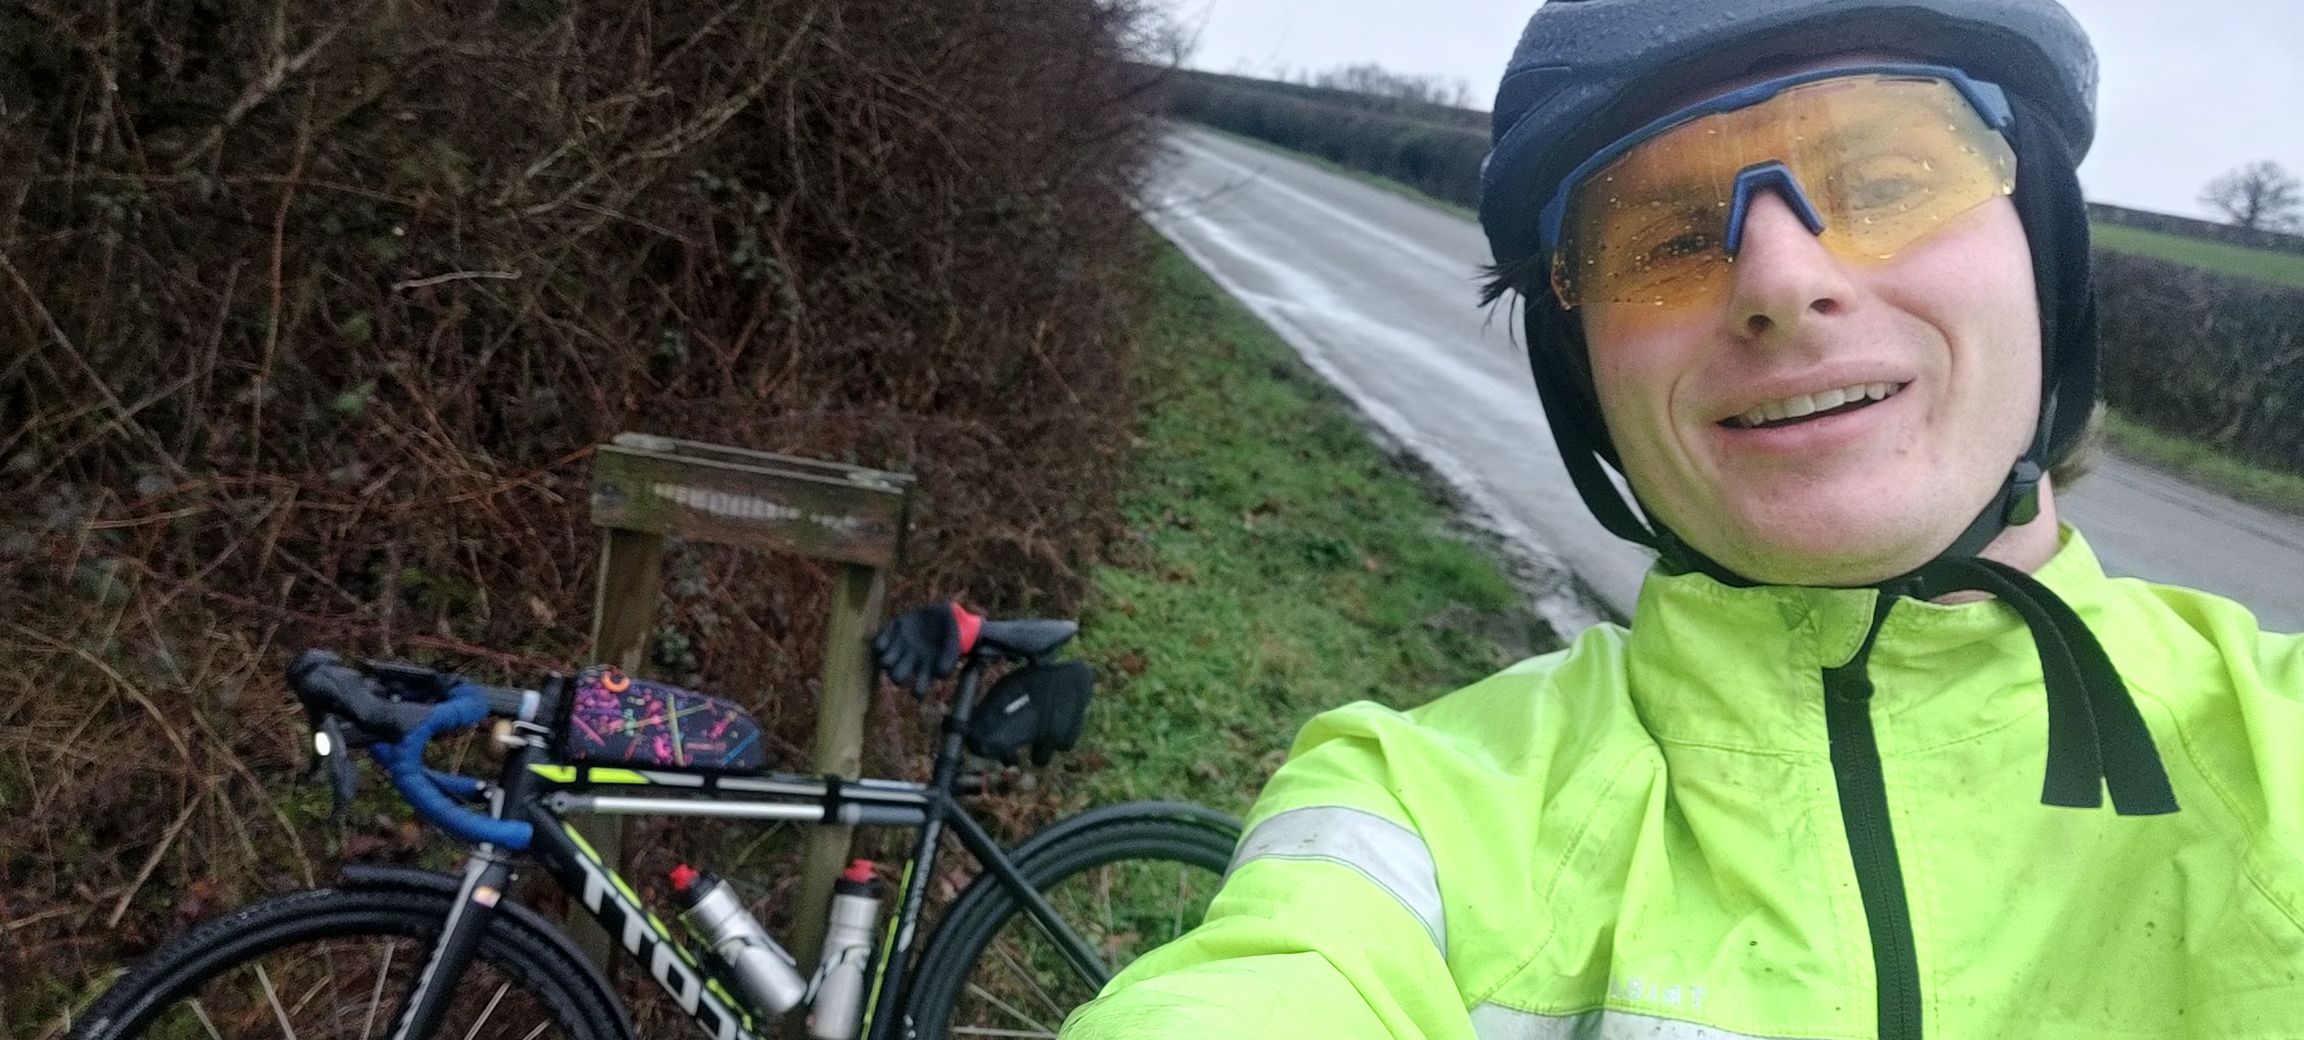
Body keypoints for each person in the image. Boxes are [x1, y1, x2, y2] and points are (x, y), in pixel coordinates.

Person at [1060, 0, 2304, 1036]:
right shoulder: (1418, 810)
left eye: (1885, 176)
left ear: (2047, 254)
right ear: (1585, 369)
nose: (1781, 279)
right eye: (1659, 237)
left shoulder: (2276, 749)